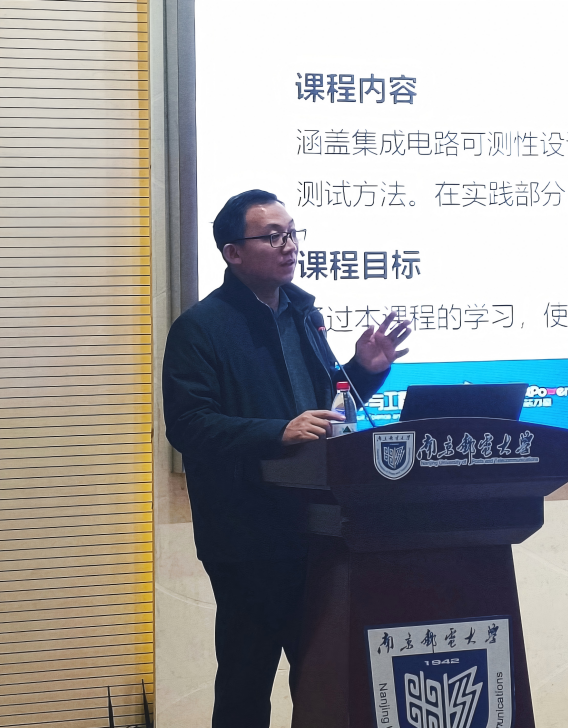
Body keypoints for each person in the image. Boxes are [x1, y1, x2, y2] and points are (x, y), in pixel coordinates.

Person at [162, 189, 411, 727]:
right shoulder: (200, 328)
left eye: (292, 233)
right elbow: (188, 425)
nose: (289, 245)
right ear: (233, 252)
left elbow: (325, 409)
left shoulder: (304, 316)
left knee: (322, 678)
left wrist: (363, 371)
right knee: (246, 684)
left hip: (316, 528)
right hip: (246, 535)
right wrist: (279, 431)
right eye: (272, 236)